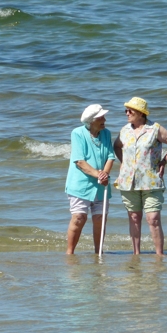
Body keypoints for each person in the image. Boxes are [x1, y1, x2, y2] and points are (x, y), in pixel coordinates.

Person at [113, 97, 167, 255]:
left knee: (153, 219)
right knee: (134, 217)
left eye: (130, 110)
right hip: (128, 181)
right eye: (126, 110)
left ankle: (159, 255)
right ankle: (136, 254)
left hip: (151, 180)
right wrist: (124, 163)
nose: (127, 113)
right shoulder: (124, 130)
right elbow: (116, 146)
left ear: (141, 113)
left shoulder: (155, 129)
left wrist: (164, 162)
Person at [65, 104, 115, 254]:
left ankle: (98, 253)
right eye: (101, 118)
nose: (104, 120)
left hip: (101, 185)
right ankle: (70, 253)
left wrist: (104, 174)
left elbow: (110, 157)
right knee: (79, 217)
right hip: (80, 184)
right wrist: (98, 174)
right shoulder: (77, 133)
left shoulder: (106, 133)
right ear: (91, 120)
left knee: (100, 219)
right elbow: (79, 161)